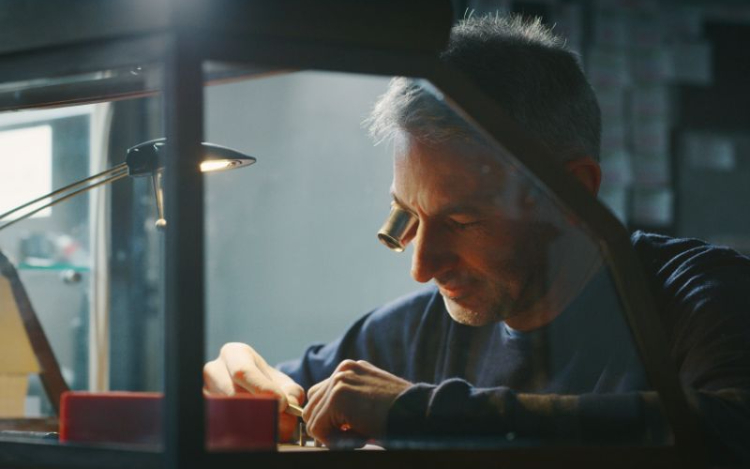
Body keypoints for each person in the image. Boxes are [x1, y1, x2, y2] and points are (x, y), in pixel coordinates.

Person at [203, 15, 750, 461]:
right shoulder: (411, 333)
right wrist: (240, 383)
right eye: (406, 215)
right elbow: (272, 390)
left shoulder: (703, 298)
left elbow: (730, 430)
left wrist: (421, 415)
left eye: (463, 223)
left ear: (573, 193)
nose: (422, 266)